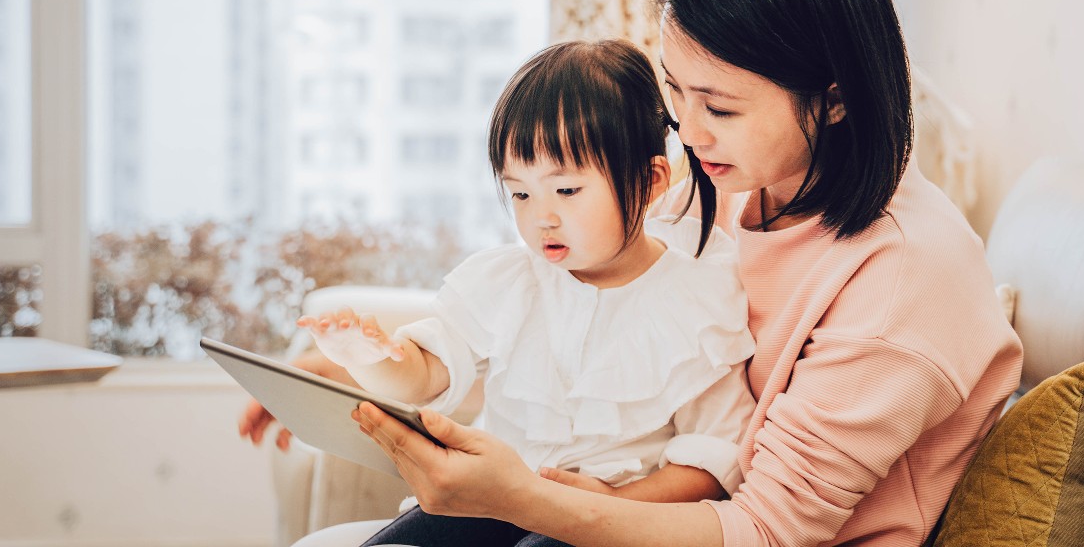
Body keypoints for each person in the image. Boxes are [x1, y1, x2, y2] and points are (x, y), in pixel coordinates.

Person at [340, 0, 1024, 547]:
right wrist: (358, 367)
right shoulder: (726, 184)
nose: (687, 133)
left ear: (834, 100)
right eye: (676, 92)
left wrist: (522, 496)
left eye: (720, 108)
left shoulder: (902, 279)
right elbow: (577, 303)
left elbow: (762, 531)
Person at [295, 39, 757, 547]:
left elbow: (712, 461)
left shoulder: (695, 295)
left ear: (650, 182)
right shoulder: (507, 282)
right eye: (520, 193)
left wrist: (612, 503)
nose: (542, 217)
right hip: (495, 499)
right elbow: (424, 375)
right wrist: (369, 357)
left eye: (566, 191)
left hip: (617, 517)